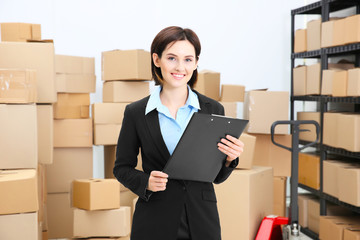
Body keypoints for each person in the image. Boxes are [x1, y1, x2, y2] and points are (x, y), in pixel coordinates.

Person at [113, 26, 244, 240]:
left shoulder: (213, 109)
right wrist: (145, 181)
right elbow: (121, 168)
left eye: (188, 59)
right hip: (155, 218)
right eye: (172, 58)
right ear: (157, 59)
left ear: (196, 62)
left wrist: (230, 159)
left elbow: (217, 177)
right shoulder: (136, 112)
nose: (180, 67)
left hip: (201, 218)